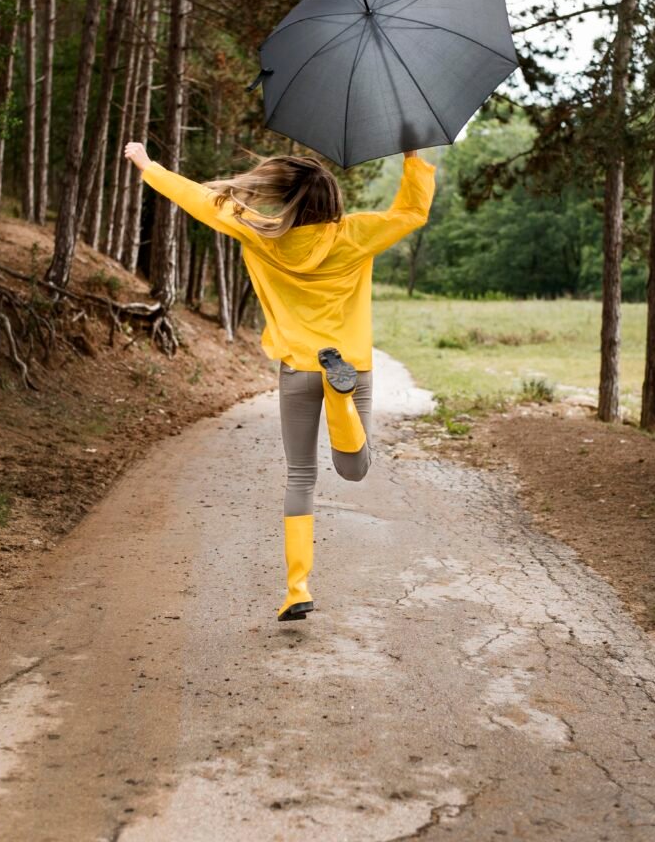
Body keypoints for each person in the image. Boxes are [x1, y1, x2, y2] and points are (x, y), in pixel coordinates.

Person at [124, 141, 436, 622]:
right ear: (333, 201)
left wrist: (149, 166)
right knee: (354, 469)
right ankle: (342, 404)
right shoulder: (355, 235)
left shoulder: (262, 233)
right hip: (348, 362)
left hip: (297, 368)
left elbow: (203, 202)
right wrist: (412, 157)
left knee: (300, 476)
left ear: (287, 199)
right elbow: (411, 212)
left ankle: (297, 588)